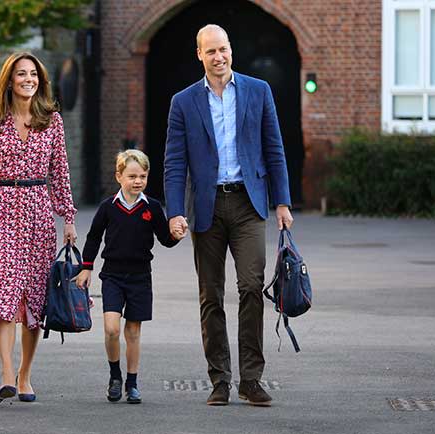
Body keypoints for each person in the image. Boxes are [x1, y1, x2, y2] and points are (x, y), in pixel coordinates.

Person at [164, 24, 294, 407]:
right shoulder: (183, 102)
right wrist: (174, 212)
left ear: (231, 50)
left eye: (223, 49)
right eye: (211, 51)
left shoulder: (258, 91)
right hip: (206, 207)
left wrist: (282, 202)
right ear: (199, 55)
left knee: (252, 287)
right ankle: (219, 379)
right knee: (211, 295)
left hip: (248, 203)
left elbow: (275, 149)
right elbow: (174, 164)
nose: (218, 57)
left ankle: (250, 379)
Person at [0, 52, 77, 402]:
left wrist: (68, 217)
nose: (28, 79)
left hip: (39, 214)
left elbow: (60, 174)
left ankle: (25, 374)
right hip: (5, 211)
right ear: (9, 80)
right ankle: (7, 370)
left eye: (33, 74)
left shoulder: (52, 121)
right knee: (3, 292)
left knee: (35, 300)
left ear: (40, 80)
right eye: (21, 74)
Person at [76, 149, 184, 404]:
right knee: (112, 329)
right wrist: (86, 266)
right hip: (112, 275)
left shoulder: (153, 207)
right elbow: (93, 237)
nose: (138, 181)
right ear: (119, 176)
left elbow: (165, 239)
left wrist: (176, 236)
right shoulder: (108, 207)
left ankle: (132, 383)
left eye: (143, 176)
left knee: (133, 332)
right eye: (132, 176)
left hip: (140, 278)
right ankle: (115, 376)